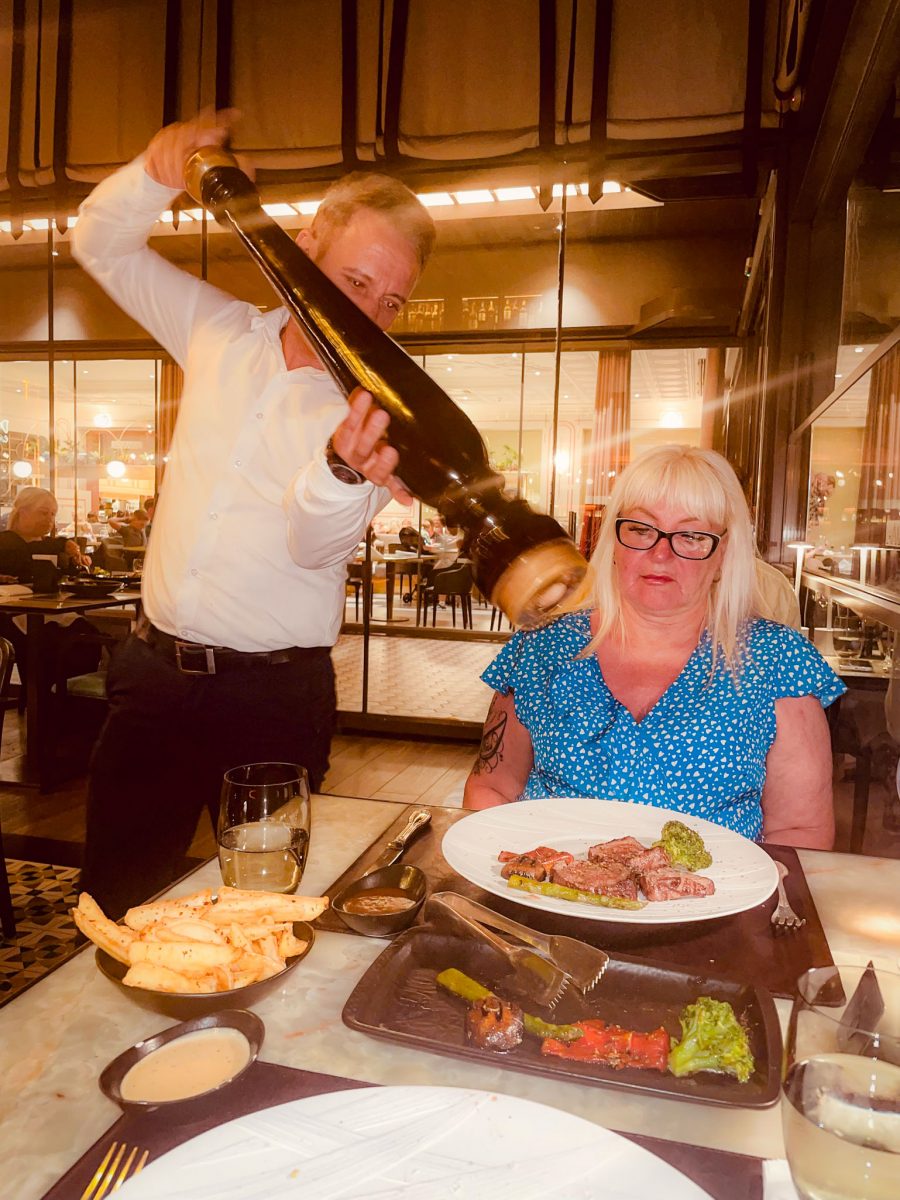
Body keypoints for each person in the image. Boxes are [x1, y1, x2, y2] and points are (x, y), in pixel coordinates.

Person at [71, 108, 435, 915]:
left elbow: (314, 545)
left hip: (273, 703)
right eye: (355, 283)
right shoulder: (218, 330)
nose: (369, 315)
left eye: (392, 301)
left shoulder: (383, 411)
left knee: (267, 912)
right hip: (153, 682)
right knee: (116, 904)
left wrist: (341, 467)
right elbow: (101, 244)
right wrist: (156, 175)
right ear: (303, 252)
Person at [463, 445, 843, 849]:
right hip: (546, 882)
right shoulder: (544, 646)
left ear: (723, 553)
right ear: (615, 540)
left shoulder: (776, 659)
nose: (661, 554)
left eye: (692, 536)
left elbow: (801, 832)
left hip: (712, 888)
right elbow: (492, 788)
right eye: (641, 529)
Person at [0, 488, 90, 581]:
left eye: (53, 514)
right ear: (23, 513)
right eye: (44, 513)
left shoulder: (54, 547)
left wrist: (77, 561)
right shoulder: (5, 542)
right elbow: (28, 550)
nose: (50, 519)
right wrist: (62, 543)